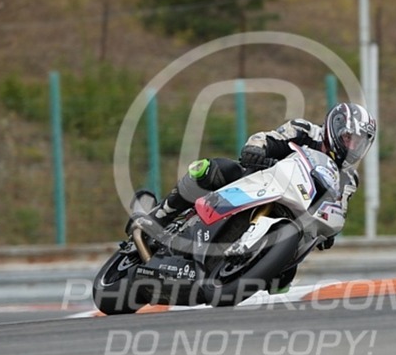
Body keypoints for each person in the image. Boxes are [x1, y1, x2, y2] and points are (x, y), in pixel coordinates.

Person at [129, 102, 377, 250]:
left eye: (359, 143)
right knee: (211, 169)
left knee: (290, 268)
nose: (352, 146)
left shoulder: (349, 180)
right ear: (335, 127)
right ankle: (159, 216)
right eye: (349, 138)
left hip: (295, 215)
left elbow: (338, 210)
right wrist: (256, 150)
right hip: (258, 183)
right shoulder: (304, 130)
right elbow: (266, 138)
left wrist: (329, 233)